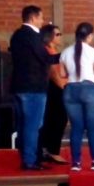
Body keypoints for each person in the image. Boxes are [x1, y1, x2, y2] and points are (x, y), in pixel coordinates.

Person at [9, 5, 55, 170]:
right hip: (34, 88)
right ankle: (30, 160)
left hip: (18, 85)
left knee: (22, 125)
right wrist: (64, 56)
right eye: (41, 18)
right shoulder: (33, 36)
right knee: (32, 126)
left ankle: (25, 157)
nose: (42, 21)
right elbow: (44, 58)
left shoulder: (16, 35)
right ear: (33, 18)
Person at [59, 22, 94, 172]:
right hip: (91, 90)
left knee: (76, 128)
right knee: (93, 128)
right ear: (90, 36)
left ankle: (76, 163)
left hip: (71, 91)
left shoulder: (65, 52)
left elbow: (62, 74)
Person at [37, 24, 69, 165]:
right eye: (57, 34)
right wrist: (66, 83)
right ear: (49, 36)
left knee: (57, 119)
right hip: (53, 89)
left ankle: (50, 150)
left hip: (58, 88)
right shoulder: (47, 51)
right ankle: (52, 151)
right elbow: (55, 76)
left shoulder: (54, 51)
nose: (60, 37)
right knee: (57, 119)